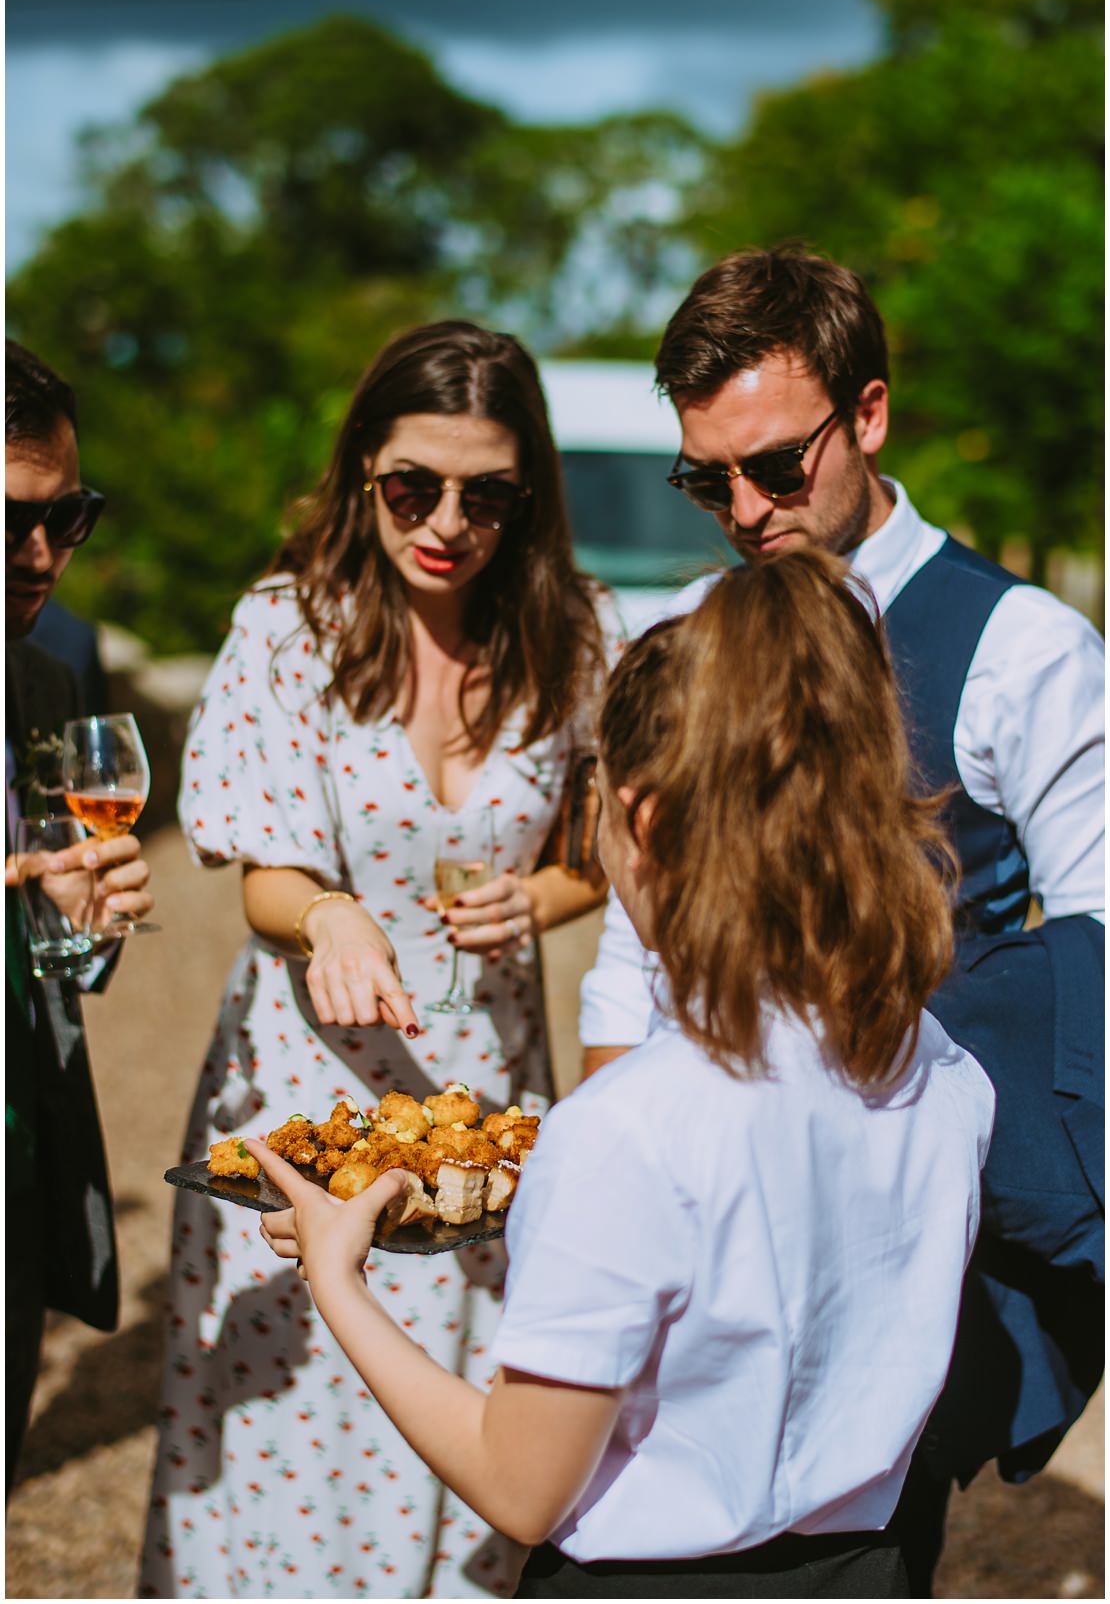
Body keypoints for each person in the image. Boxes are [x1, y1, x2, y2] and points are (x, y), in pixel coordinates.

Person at [247, 552, 996, 1600]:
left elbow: (522, 1485)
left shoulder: (628, 1129)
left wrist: (339, 1275)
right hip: (873, 1569)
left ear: (639, 819)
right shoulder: (943, 1070)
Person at [576, 247, 1104, 1592]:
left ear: (865, 416)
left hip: (894, 1208)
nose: (743, 511)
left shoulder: (1024, 648)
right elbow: (637, 932)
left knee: (850, 1545)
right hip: (696, 1188)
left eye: (772, 467)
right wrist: (602, 1141)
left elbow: (1099, 933)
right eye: (707, 480)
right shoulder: (691, 628)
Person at [141, 321, 621, 1600]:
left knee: (466, 1422)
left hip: (487, 1109)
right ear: (365, 469)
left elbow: (605, 845)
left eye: (488, 493)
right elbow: (261, 872)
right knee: (290, 1423)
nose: (448, 521)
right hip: (307, 1088)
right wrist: (332, 915)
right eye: (415, 484)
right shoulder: (289, 626)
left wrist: (544, 898)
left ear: (530, 495)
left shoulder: (578, 632)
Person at [5, 338, 155, 1493]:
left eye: (71, 515)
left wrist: (78, 922)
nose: (44, 555)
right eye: (10, 519)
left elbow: (45, 937)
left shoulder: (47, 681)